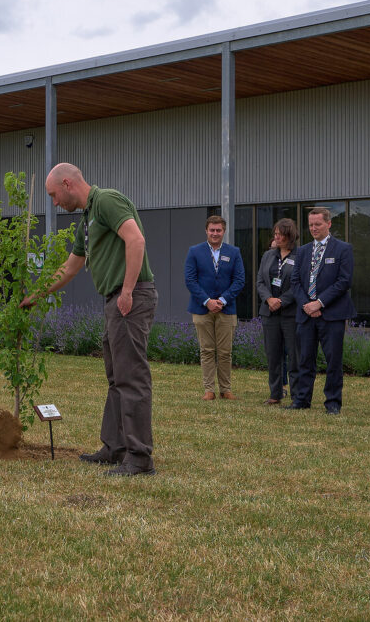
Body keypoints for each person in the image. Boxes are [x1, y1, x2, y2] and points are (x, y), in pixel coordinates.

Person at [20, 162, 158, 476]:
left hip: (130, 298)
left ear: (68, 183)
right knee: (116, 378)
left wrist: (127, 291)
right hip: (115, 300)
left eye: (54, 195)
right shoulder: (87, 218)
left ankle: (139, 459)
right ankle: (115, 448)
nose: (54, 203)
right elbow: (69, 268)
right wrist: (36, 295)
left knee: (131, 377)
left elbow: (135, 240)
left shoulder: (107, 201)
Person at [287, 207, 355, 415]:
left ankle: (333, 402)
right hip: (306, 314)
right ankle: (302, 399)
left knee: (333, 360)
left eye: (318, 224)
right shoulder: (303, 251)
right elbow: (295, 281)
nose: (314, 228)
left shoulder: (343, 249)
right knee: (305, 359)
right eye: (311, 225)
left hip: (332, 314)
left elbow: (344, 281)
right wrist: (307, 304)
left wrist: (320, 303)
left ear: (329, 224)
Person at [184, 215, 246, 400]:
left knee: (225, 352)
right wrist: (207, 301)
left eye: (218, 230)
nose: (215, 233)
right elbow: (190, 280)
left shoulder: (234, 252)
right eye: (212, 230)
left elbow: (239, 280)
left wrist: (223, 300)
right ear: (206, 231)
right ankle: (209, 389)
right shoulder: (194, 251)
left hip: (226, 309)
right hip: (201, 308)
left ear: (223, 231)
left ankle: (225, 389)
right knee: (207, 350)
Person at [256, 218, 300, 405]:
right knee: (273, 355)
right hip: (269, 313)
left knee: (295, 356)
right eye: (275, 234)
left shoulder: (301, 255)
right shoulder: (268, 255)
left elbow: (301, 284)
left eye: (280, 234)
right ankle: (275, 393)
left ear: (289, 235)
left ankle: (298, 395)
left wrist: (282, 301)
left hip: (291, 314)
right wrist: (269, 299)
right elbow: (260, 282)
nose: (276, 237)